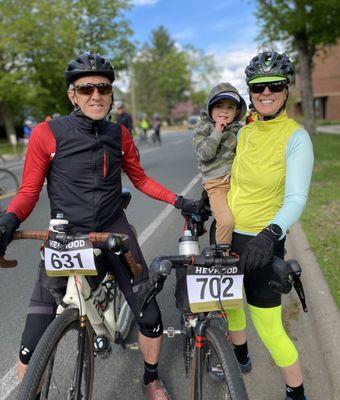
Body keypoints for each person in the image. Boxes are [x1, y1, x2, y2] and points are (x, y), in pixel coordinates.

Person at [0, 53, 196, 400]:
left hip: (113, 231)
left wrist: (179, 201)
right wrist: (9, 220)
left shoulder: (119, 134)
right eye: (86, 88)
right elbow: (30, 189)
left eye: (102, 88)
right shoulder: (47, 134)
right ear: (72, 95)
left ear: (110, 94)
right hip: (65, 238)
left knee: (150, 316)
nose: (95, 95)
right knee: (30, 347)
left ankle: (150, 377)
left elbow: (141, 179)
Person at [226, 50, 313, 400]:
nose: (266, 93)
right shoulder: (245, 133)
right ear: (250, 91)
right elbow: (236, 181)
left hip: (264, 241)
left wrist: (270, 234)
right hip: (229, 238)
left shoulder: (296, 137)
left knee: (269, 327)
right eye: (258, 87)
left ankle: (296, 392)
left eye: (274, 86)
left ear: (286, 90)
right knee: (230, 306)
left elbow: (296, 199)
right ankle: (240, 357)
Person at [193, 83, 246, 246]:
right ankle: (222, 257)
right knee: (226, 221)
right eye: (218, 106)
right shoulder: (204, 129)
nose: (224, 111)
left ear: (237, 112)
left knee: (246, 218)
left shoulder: (239, 130)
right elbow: (204, 154)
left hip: (238, 181)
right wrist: (217, 132)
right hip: (216, 184)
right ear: (209, 108)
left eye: (230, 107)